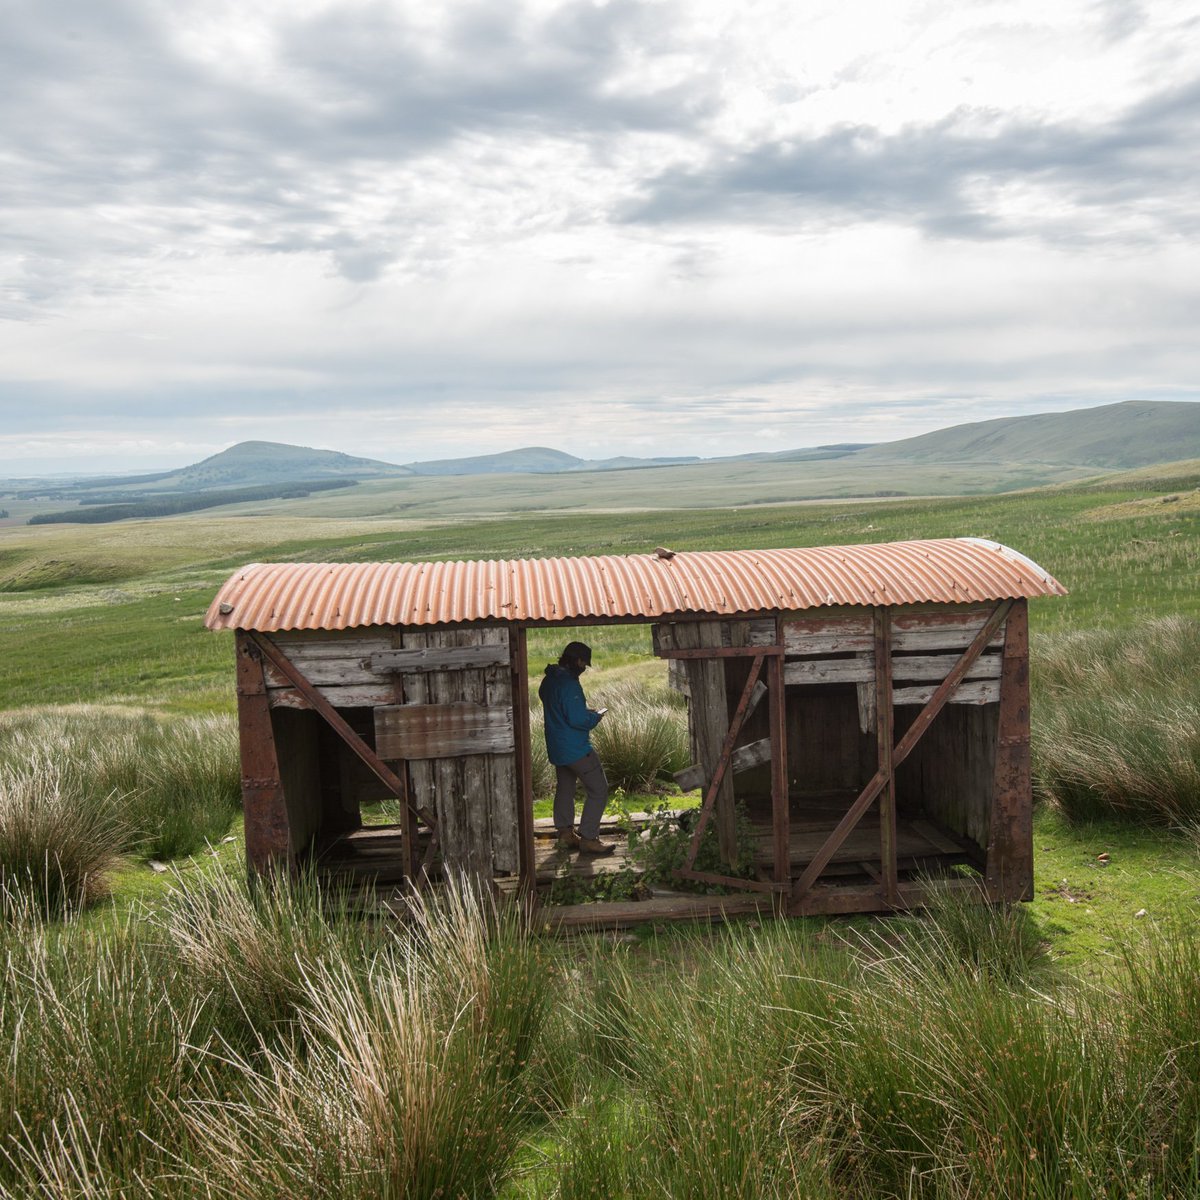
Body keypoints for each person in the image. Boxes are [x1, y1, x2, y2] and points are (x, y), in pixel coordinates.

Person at [538, 640, 614, 855]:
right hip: (575, 749)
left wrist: (581, 711)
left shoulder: (549, 680)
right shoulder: (569, 684)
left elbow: (558, 707)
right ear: (577, 660)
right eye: (584, 663)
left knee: (565, 789)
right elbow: (577, 719)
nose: (584, 668)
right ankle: (589, 838)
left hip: (557, 747)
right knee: (599, 789)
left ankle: (565, 835)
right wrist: (595, 717)